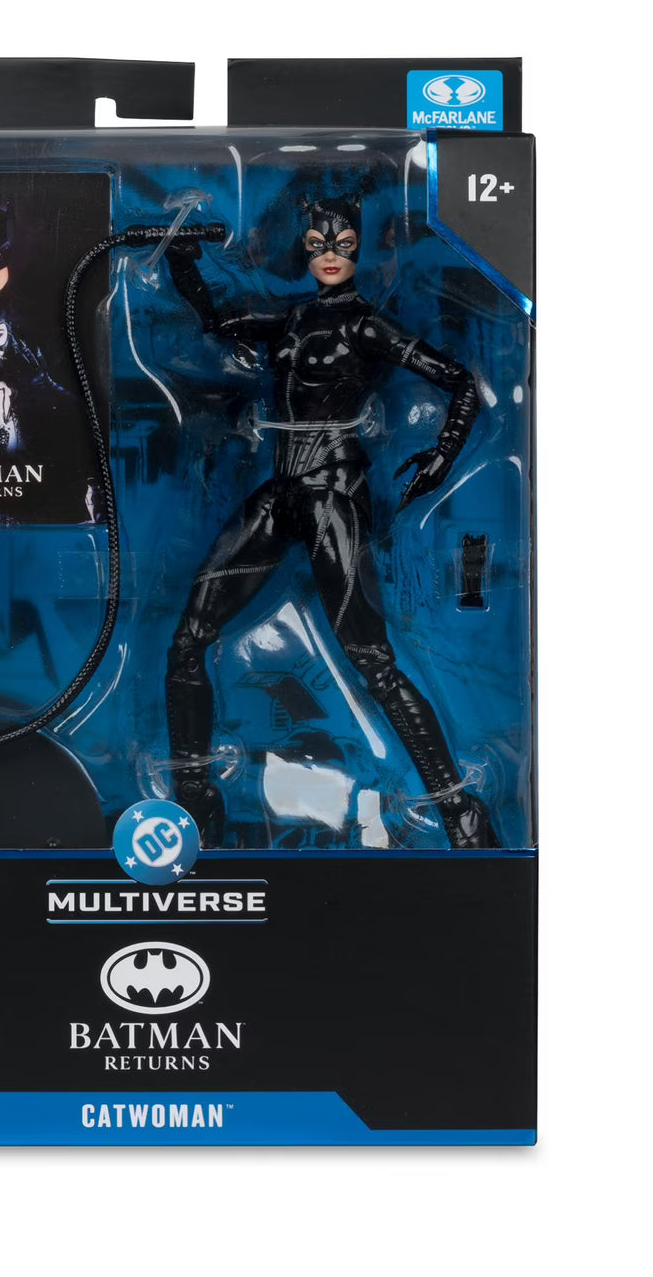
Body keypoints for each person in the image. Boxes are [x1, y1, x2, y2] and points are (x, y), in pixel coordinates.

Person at [163, 197, 498, 849]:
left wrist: (440, 458)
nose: (329, 254)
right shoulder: (291, 318)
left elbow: (460, 381)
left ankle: (458, 811)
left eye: (342, 243)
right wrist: (180, 258)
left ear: (359, 248)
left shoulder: (367, 326)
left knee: (372, 660)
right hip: (283, 490)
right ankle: (193, 797)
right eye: (318, 242)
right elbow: (215, 320)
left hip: (334, 495)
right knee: (187, 638)